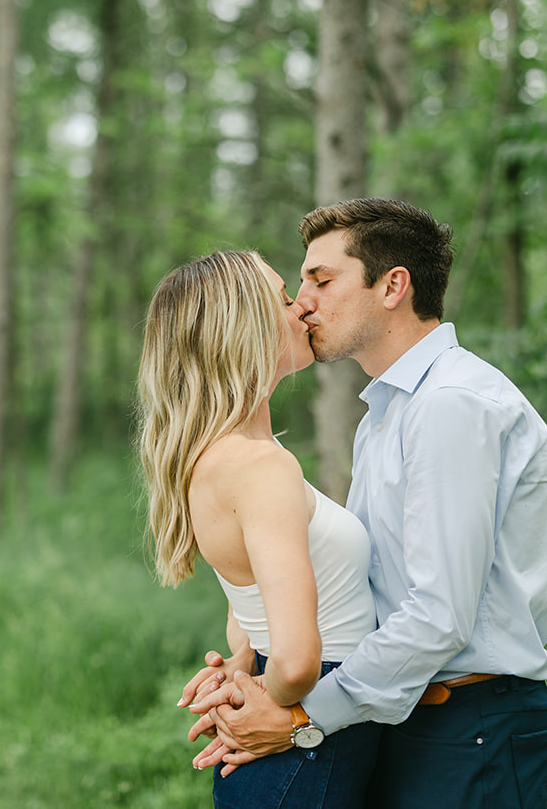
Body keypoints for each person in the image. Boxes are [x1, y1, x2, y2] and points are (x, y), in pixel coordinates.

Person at [186, 199, 547, 809]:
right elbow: (367, 588)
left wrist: (303, 714)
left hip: (472, 728)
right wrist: (251, 660)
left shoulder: (452, 404)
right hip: (399, 714)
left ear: (392, 287)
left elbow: (439, 614)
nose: (303, 302)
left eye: (321, 280)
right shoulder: (387, 413)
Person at [138, 250, 384, 808]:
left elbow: (248, 614)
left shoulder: (223, 456)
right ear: (243, 326)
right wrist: (274, 706)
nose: (301, 307)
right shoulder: (261, 468)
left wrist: (243, 669)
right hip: (305, 747)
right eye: (281, 297)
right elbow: (297, 662)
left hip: (299, 748)